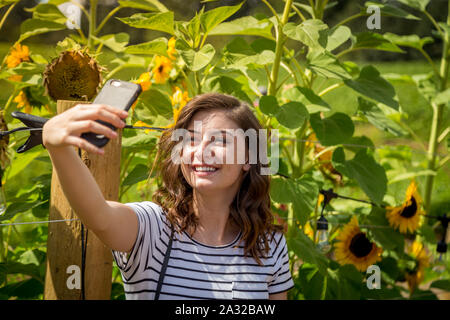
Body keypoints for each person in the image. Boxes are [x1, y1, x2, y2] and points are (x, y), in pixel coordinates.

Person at [42, 92, 294, 300]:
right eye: (191, 140)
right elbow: (99, 215)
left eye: (220, 141)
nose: (201, 152)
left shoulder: (268, 245)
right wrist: (58, 147)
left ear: (249, 158)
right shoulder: (155, 230)